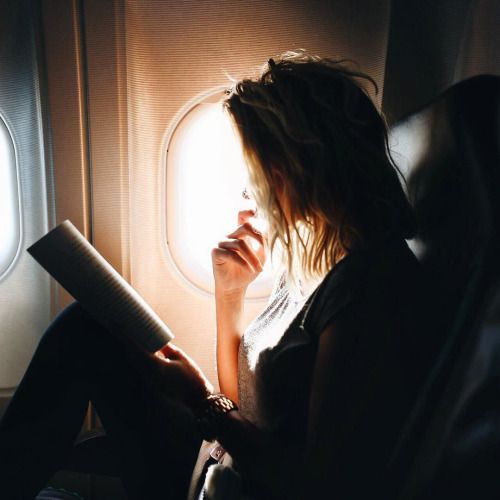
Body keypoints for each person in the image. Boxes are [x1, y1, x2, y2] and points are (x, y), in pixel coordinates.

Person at [0, 51, 442, 500]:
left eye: (256, 176)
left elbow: (315, 484)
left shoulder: (368, 287)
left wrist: (198, 399)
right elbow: (247, 407)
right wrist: (228, 294)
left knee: (82, 335)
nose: (250, 195)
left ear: (298, 169)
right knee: (88, 327)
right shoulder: (313, 259)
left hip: (235, 486)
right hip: (217, 463)